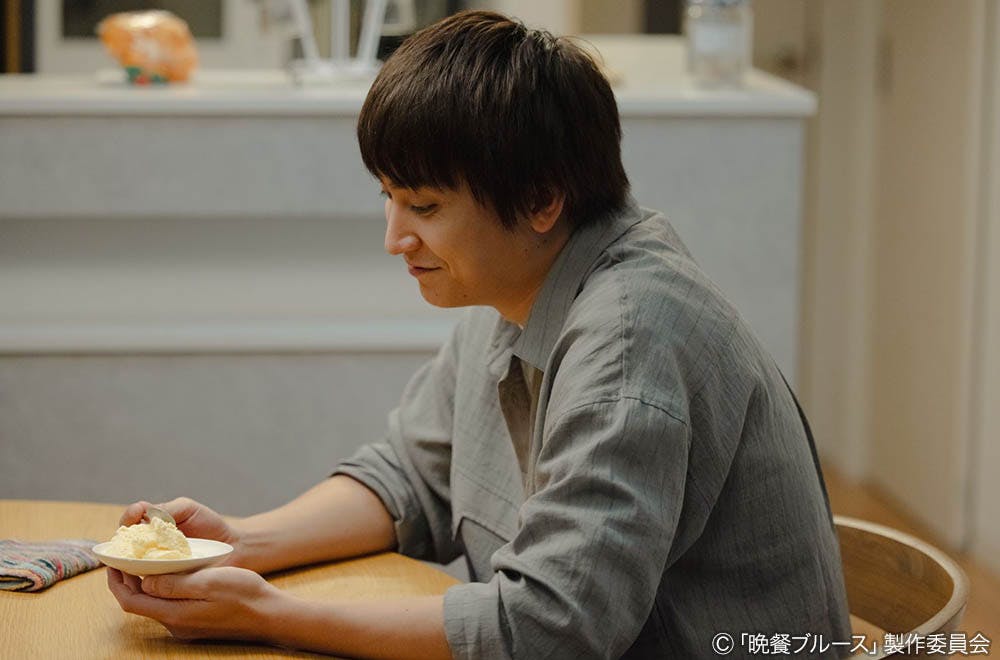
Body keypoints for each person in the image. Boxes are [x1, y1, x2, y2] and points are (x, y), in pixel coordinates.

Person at [107, 10, 852, 659]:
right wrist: (242, 542)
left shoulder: (630, 340)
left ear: (541, 200)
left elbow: (549, 629)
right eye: (389, 197)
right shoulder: (519, 291)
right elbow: (412, 474)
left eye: (426, 207)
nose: (395, 238)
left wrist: (272, 618)